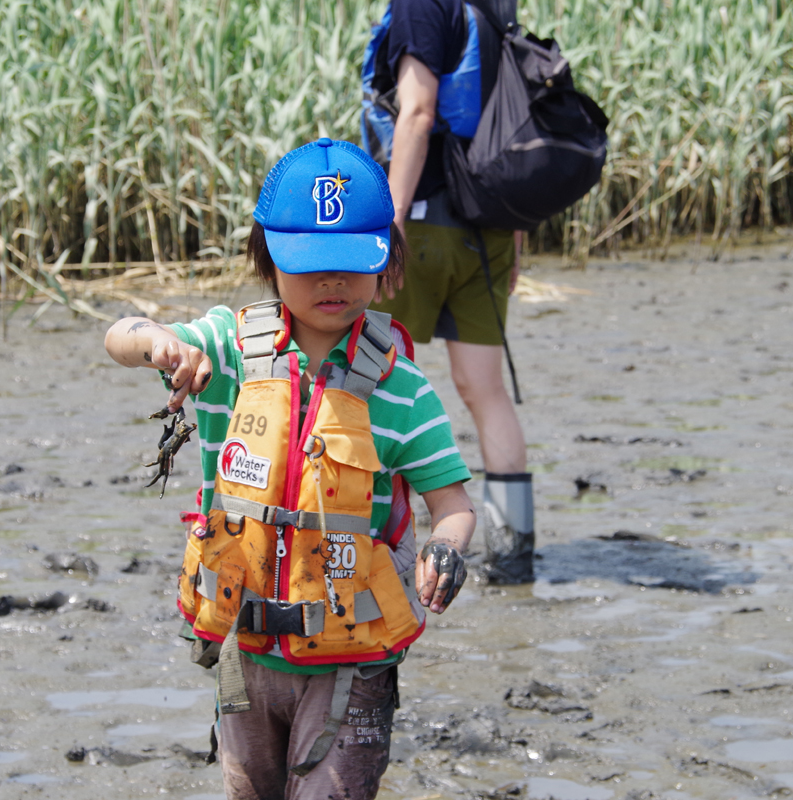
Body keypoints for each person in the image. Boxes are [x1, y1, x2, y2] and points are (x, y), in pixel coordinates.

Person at [104, 138, 476, 800]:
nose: (332, 283)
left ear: (386, 258)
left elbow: (452, 505)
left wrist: (448, 549)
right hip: (245, 653)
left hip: (351, 662)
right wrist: (159, 343)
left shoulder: (403, 387)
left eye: (350, 264)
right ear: (267, 255)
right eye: (311, 266)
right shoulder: (223, 349)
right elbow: (120, 335)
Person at [367, 0, 535, 583]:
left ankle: (371, 551)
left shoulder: (422, 7)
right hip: (487, 230)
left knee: (367, 376)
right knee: (487, 393)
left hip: (422, 223)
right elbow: (510, 127)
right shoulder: (493, 12)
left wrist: (386, 224)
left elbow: (416, 113)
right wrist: (514, 233)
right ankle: (513, 563)